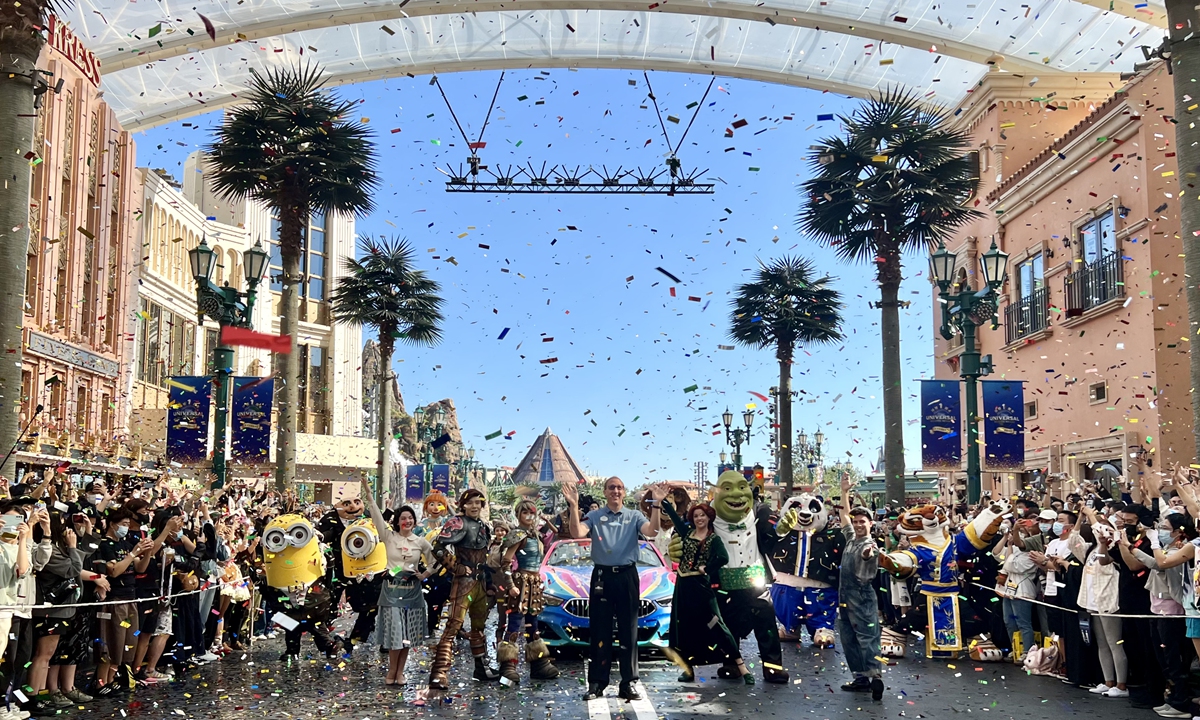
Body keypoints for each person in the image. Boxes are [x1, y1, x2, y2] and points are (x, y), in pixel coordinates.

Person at [563, 477, 666, 702]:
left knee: (629, 631)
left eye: (619, 487)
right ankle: (597, 683)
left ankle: (628, 683)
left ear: (624, 491)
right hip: (602, 576)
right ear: (605, 492)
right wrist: (573, 506)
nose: (616, 491)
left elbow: (652, 532)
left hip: (627, 575)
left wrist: (656, 504)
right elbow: (577, 533)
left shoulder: (634, 516)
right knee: (600, 630)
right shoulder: (595, 516)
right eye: (611, 487)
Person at [659, 498, 748, 684]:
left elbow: (722, 557)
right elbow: (675, 518)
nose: (699, 519)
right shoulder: (687, 533)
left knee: (717, 625)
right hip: (683, 586)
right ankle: (688, 669)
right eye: (696, 516)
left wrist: (707, 568)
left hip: (701, 586)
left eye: (703, 515)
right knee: (683, 629)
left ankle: (742, 667)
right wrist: (664, 502)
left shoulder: (714, 539)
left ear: (709, 518)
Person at [360, 480, 434, 686]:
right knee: (396, 633)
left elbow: (435, 559)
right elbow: (375, 516)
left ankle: (400, 672)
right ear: (397, 521)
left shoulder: (420, 542)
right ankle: (392, 670)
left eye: (410, 518)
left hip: (412, 592)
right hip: (392, 591)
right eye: (403, 518)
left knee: (408, 633)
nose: (407, 521)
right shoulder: (388, 537)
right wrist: (368, 492)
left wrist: (425, 573)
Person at [427, 489, 499, 690]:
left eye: (478, 502)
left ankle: (481, 667)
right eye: (471, 503)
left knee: (478, 627)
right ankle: (439, 672)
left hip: (480, 583)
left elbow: (484, 558)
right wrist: (456, 567)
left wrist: (490, 583)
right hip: (464, 583)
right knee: (453, 626)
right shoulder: (457, 523)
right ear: (464, 505)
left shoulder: (484, 526)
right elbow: (438, 547)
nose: (475, 506)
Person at [494, 498, 559, 685]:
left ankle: (539, 664)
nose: (529, 516)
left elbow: (555, 532)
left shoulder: (535, 535)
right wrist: (510, 585)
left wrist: (545, 521)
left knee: (533, 626)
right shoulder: (518, 535)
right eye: (525, 513)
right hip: (521, 583)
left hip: (534, 583)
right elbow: (505, 562)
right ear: (518, 515)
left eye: (532, 513)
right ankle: (507, 667)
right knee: (514, 624)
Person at [835, 474, 884, 701]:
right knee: (848, 636)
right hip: (844, 596)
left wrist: (869, 554)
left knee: (867, 637)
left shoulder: (868, 544)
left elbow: (869, 553)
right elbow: (844, 515)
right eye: (855, 522)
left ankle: (875, 677)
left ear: (870, 524)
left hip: (862, 596)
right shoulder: (851, 538)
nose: (857, 524)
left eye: (862, 522)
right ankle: (860, 677)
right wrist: (844, 492)